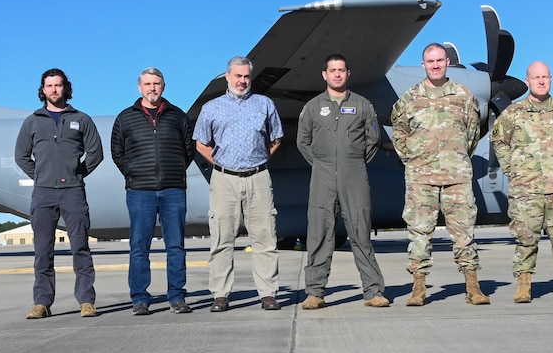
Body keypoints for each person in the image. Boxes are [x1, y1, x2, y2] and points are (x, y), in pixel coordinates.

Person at [391, 43, 491, 306]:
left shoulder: (463, 95)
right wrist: (414, 161)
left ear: (446, 62)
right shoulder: (410, 98)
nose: (435, 65)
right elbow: (399, 134)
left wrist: (455, 159)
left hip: (456, 176)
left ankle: (473, 286)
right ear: (423, 65)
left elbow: (473, 133)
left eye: (439, 60)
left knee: (464, 232)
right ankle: (419, 288)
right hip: (421, 178)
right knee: (419, 232)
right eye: (429, 61)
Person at [296, 54, 389, 309]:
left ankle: (373, 291)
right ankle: (315, 292)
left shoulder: (362, 105)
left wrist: (352, 163)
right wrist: (323, 164)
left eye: (341, 70)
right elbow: (302, 142)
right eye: (332, 70)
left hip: (354, 175)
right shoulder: (313, 107)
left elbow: (372, 140)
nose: (337, 74)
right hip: (322, 175)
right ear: (324, 75)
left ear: (348, 73)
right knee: (318, 234)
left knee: (360, 233)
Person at [193, 56, 284, 311]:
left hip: (258, 178)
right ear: (227, 77)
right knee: (222, 238)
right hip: (224, 179)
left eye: (246, 77)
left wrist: (260, 159)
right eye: (238, 76)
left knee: (265, 238)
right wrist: (221, 164)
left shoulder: (264, 104)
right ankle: (220, 295)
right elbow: (201, 143)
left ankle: (268, 293)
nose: (242, 81)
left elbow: (276, 138)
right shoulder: (211, 108)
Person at [490, 60, 553, 303]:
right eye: (536, 77)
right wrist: (514, 170)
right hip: (526, 189)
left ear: (551, 79)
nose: (541, 81)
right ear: (527, 82)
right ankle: (524, 284)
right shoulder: (513, 113)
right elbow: (499, 142)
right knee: (525, 237)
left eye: (545, 77)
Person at [14, 68, 103, 319]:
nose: (54, 90)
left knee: (80, 247)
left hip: (73, 192)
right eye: (49, 86)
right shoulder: (32, 121)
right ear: (42, 90)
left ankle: (86, 301)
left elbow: (96, 154)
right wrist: (40, 176)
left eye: (58, 85)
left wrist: (76, 173)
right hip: (43, 194)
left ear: (66, 88)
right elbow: (21, 156)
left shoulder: (81, 119)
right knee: (43, 250)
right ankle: (41, 303)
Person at [111, 68, 196, 315]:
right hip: (140, 191)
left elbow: (188, 149)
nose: (152, 88)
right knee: (139, 245)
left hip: (173, 190)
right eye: (147, 84)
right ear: (140, 87)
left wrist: (175, 169)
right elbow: (118, 151)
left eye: (157, 83)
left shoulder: (177, 116)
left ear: (164, 86)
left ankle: (177, 296)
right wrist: (133, 173)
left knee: (176, 246)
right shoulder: (126, 118)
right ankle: (139, 298)